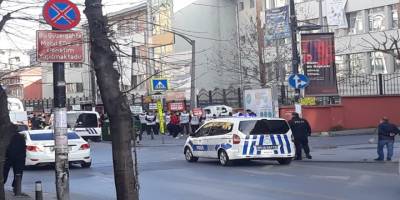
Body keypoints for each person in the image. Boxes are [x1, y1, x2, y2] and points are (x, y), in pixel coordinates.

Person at [4, 125, 26, 193]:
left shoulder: (6, 137)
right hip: (18, 158)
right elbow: (23, 147)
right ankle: (16, 188)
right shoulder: (20, 137)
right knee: (18, 173)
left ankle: (13, 186)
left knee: (4, 172)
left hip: (8, 157)